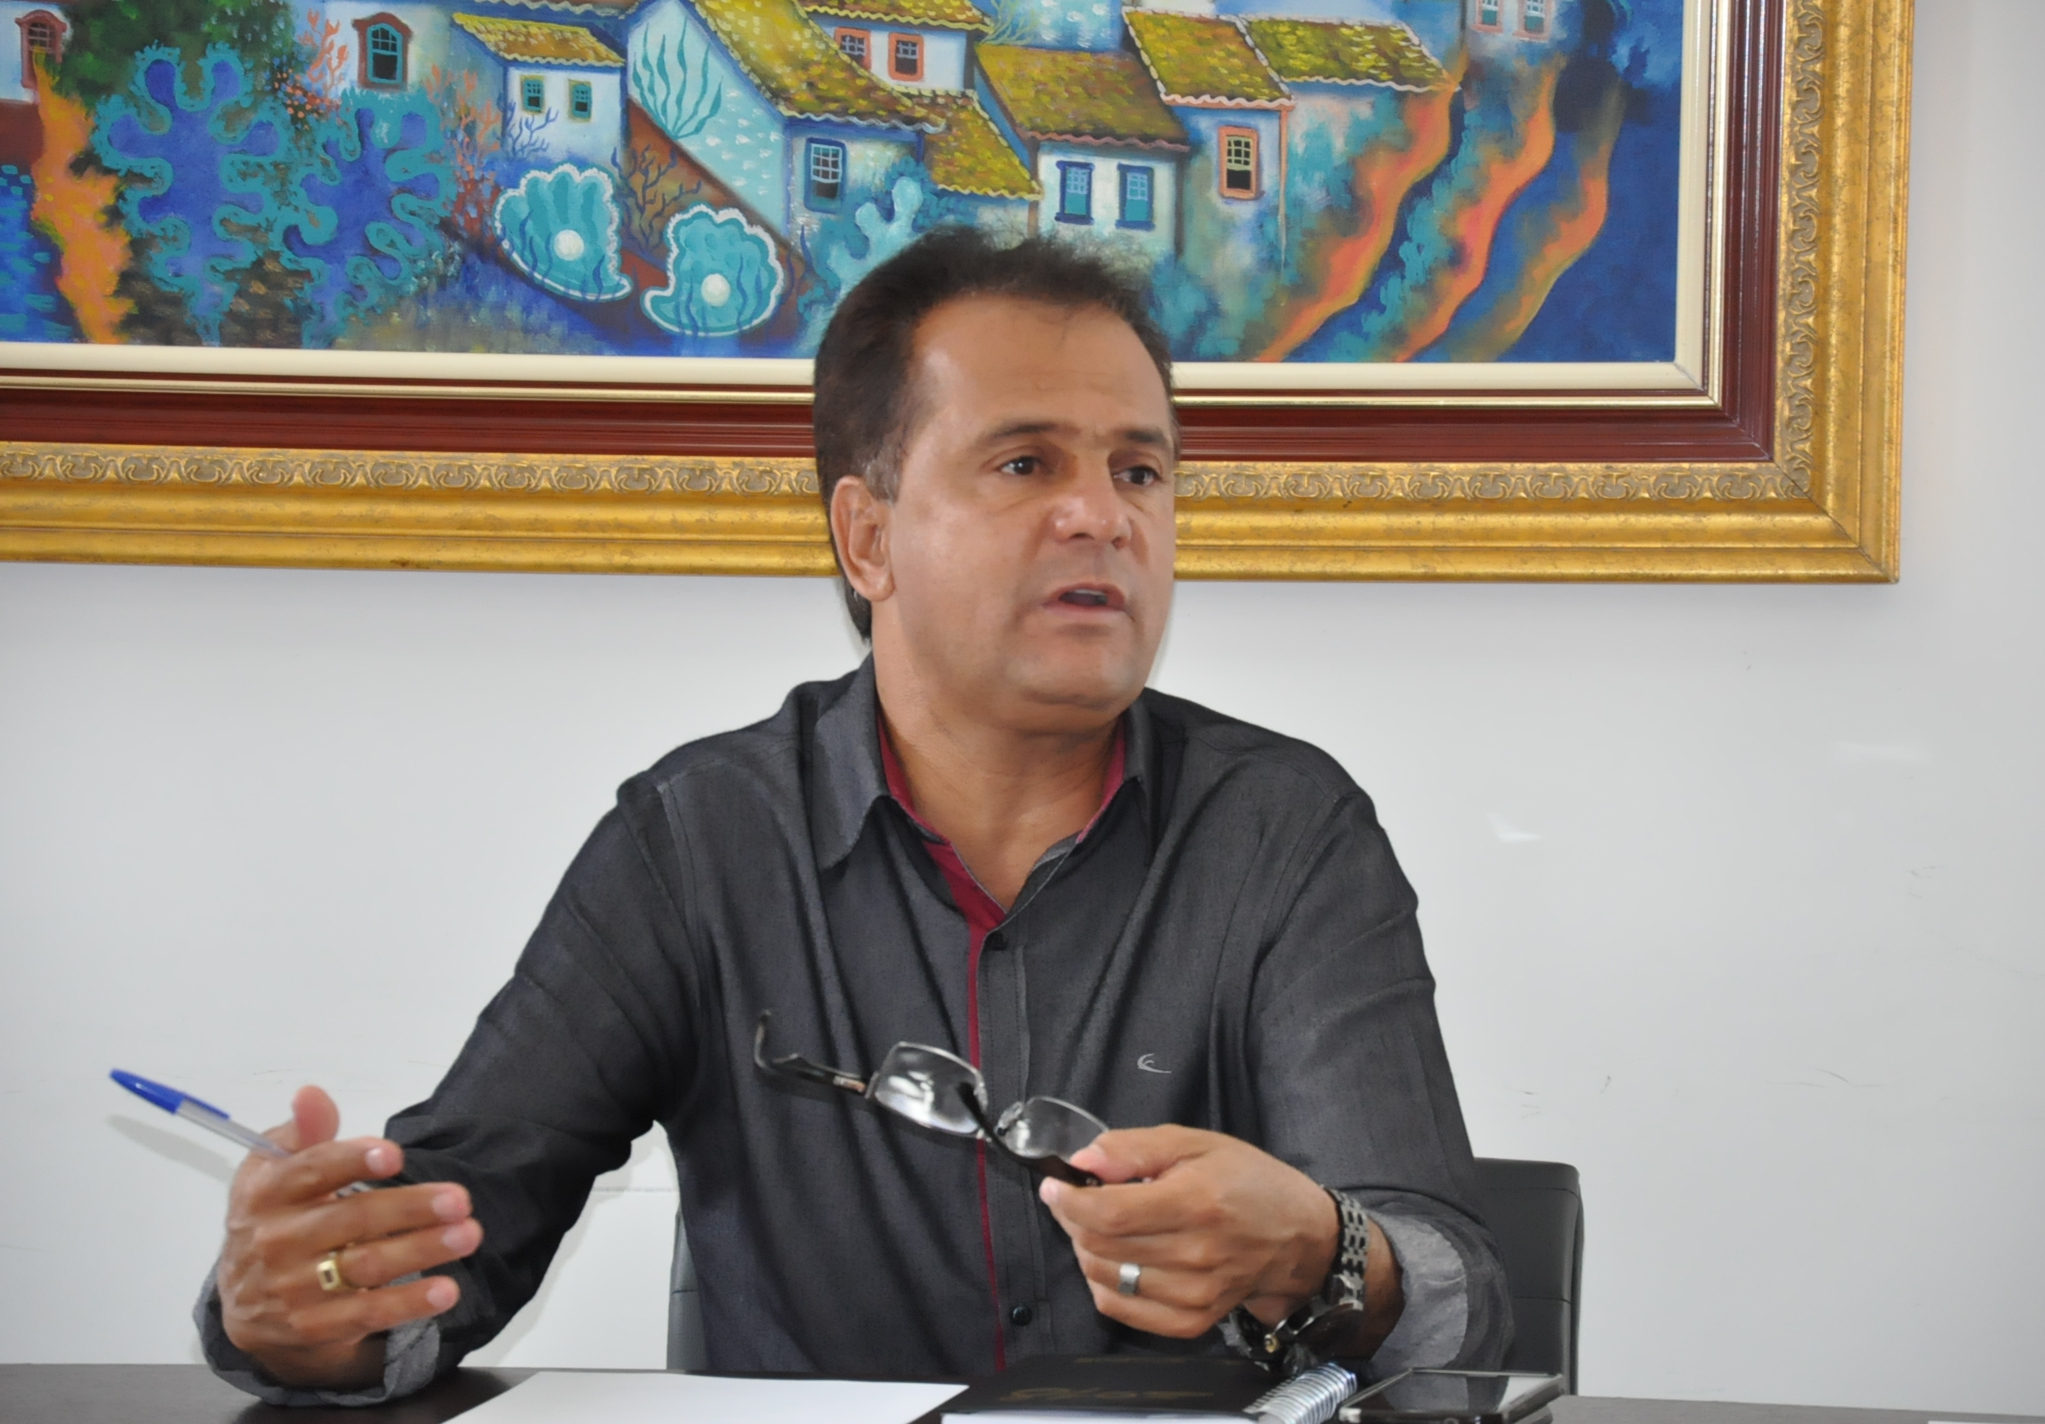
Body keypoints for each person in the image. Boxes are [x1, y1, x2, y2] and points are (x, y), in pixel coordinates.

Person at [198, 231, 1514, 1405]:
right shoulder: (700, 844)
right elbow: (444, 1240)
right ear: (867, 538)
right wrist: (308, 1306)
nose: (1102, 516)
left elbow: (1458, 1294)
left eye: (1140, 470)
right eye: (1026, 462)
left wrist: (1323, 1251)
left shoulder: (1284, 831)